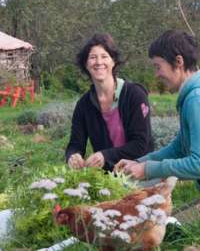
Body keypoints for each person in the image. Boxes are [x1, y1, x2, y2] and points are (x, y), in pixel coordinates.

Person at [114, 29, 200, 187]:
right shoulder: (190, 96)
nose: (156, 74)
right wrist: (138, 163)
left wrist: (148, 169)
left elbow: (198, 164)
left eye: (158, 66)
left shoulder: (196, 99)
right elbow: (179, 148)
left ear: (178, 61)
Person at [65, 33, 154, 171]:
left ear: (113, 61)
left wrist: (104, 155)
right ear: (86, 64)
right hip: (109, 179)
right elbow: (75, 144)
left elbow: (140, 145)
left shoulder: (134, 95)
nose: (99, 62)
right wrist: (73, 156)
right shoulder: (84, 105)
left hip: (141, 172)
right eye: (93, 57)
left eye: (104, 56)